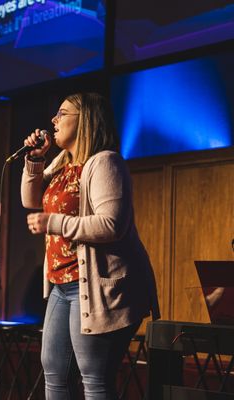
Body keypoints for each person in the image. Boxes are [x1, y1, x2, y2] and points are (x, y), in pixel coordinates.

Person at [20, 92, 160, 399]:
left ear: (85, 121)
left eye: (62, 114)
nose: (53, 120)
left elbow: (111, 224)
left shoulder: (105, 163)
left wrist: (53, 222)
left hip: (98, 287)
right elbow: (30, 200)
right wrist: (34, 159)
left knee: (94, 378)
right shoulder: (62, 164)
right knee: (54, 372)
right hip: (61, 284)